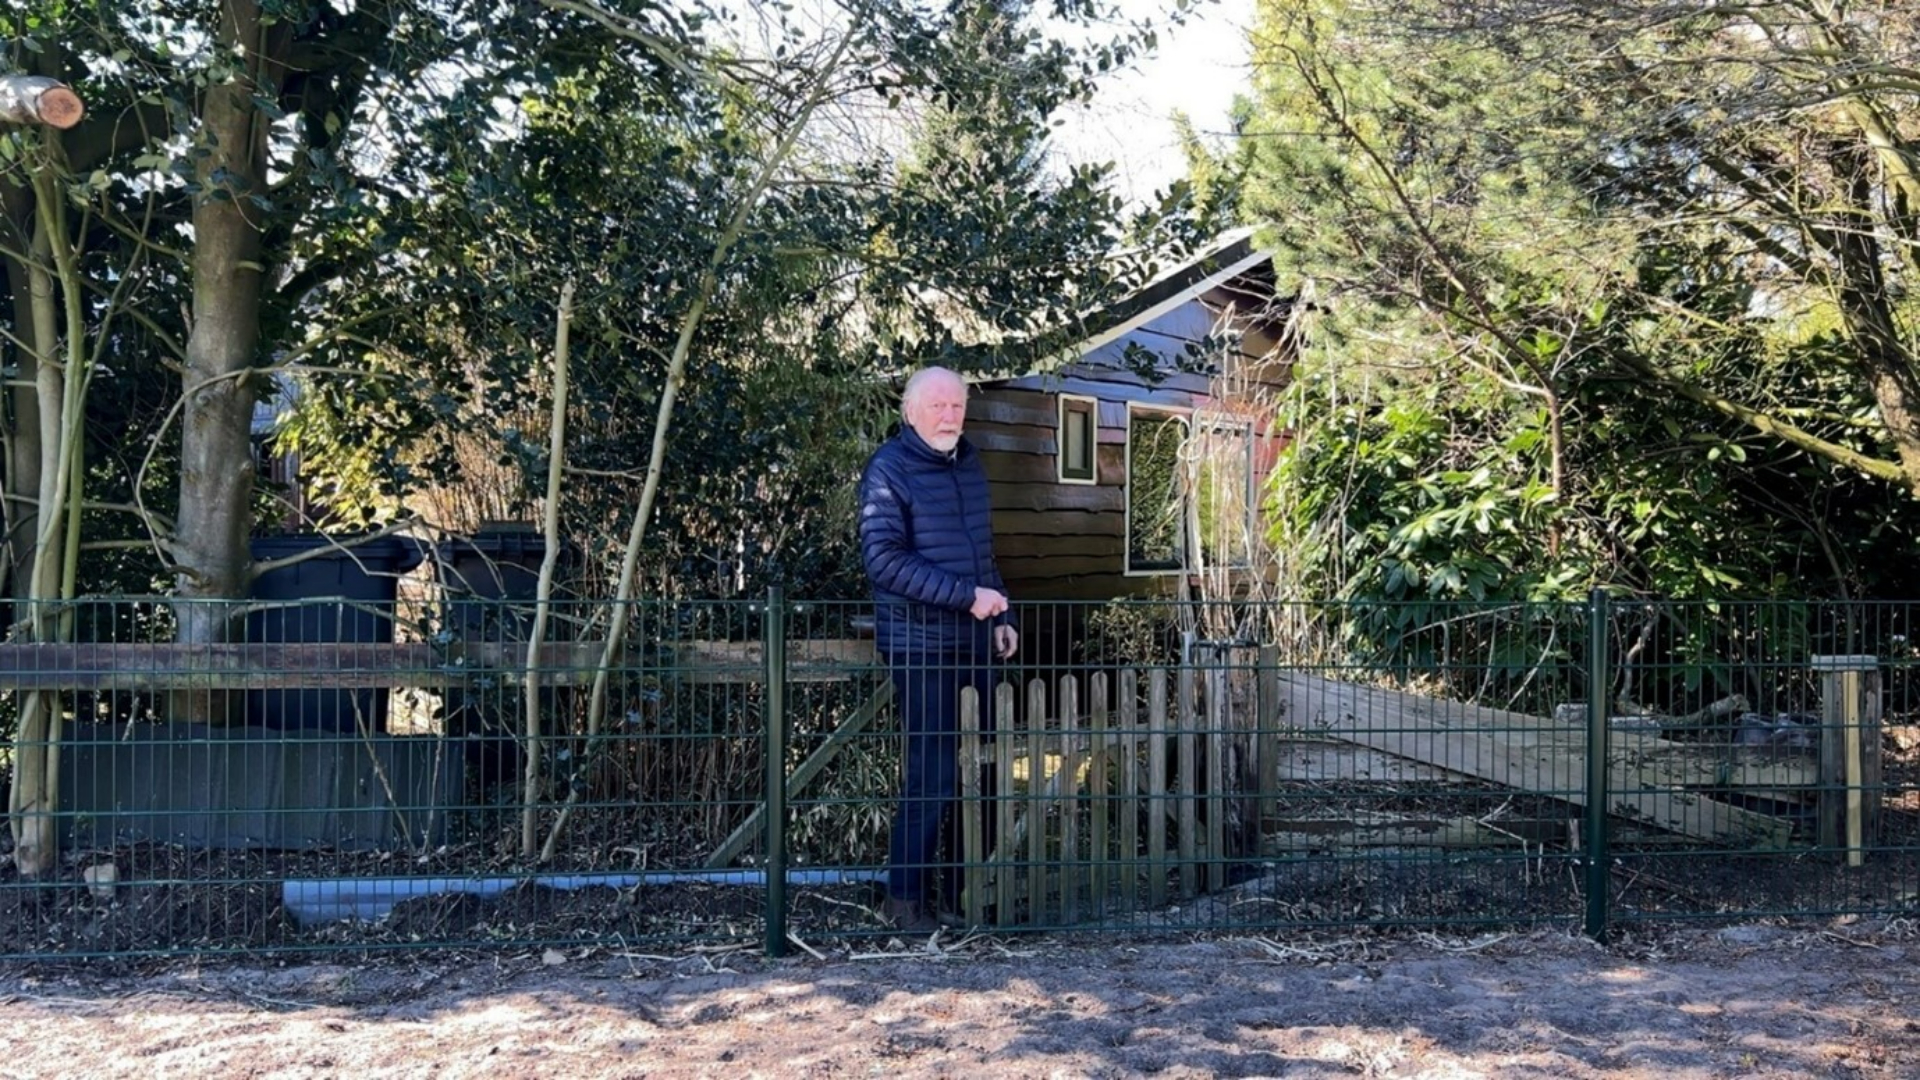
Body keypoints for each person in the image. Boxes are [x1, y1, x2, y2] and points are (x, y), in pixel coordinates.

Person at [858, 366, 1018, 932]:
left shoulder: (968, 465)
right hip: (920, 645)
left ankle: (960, 894)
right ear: (910, 412)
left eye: (957, 406)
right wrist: (963, 597)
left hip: (975, 640)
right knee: (933, 775)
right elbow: (884, 562)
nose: (950, 417)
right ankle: (905, 902)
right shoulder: (888, 470)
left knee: (984, 774)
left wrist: (1001, 612)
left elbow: (982, 553)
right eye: (938, 407)